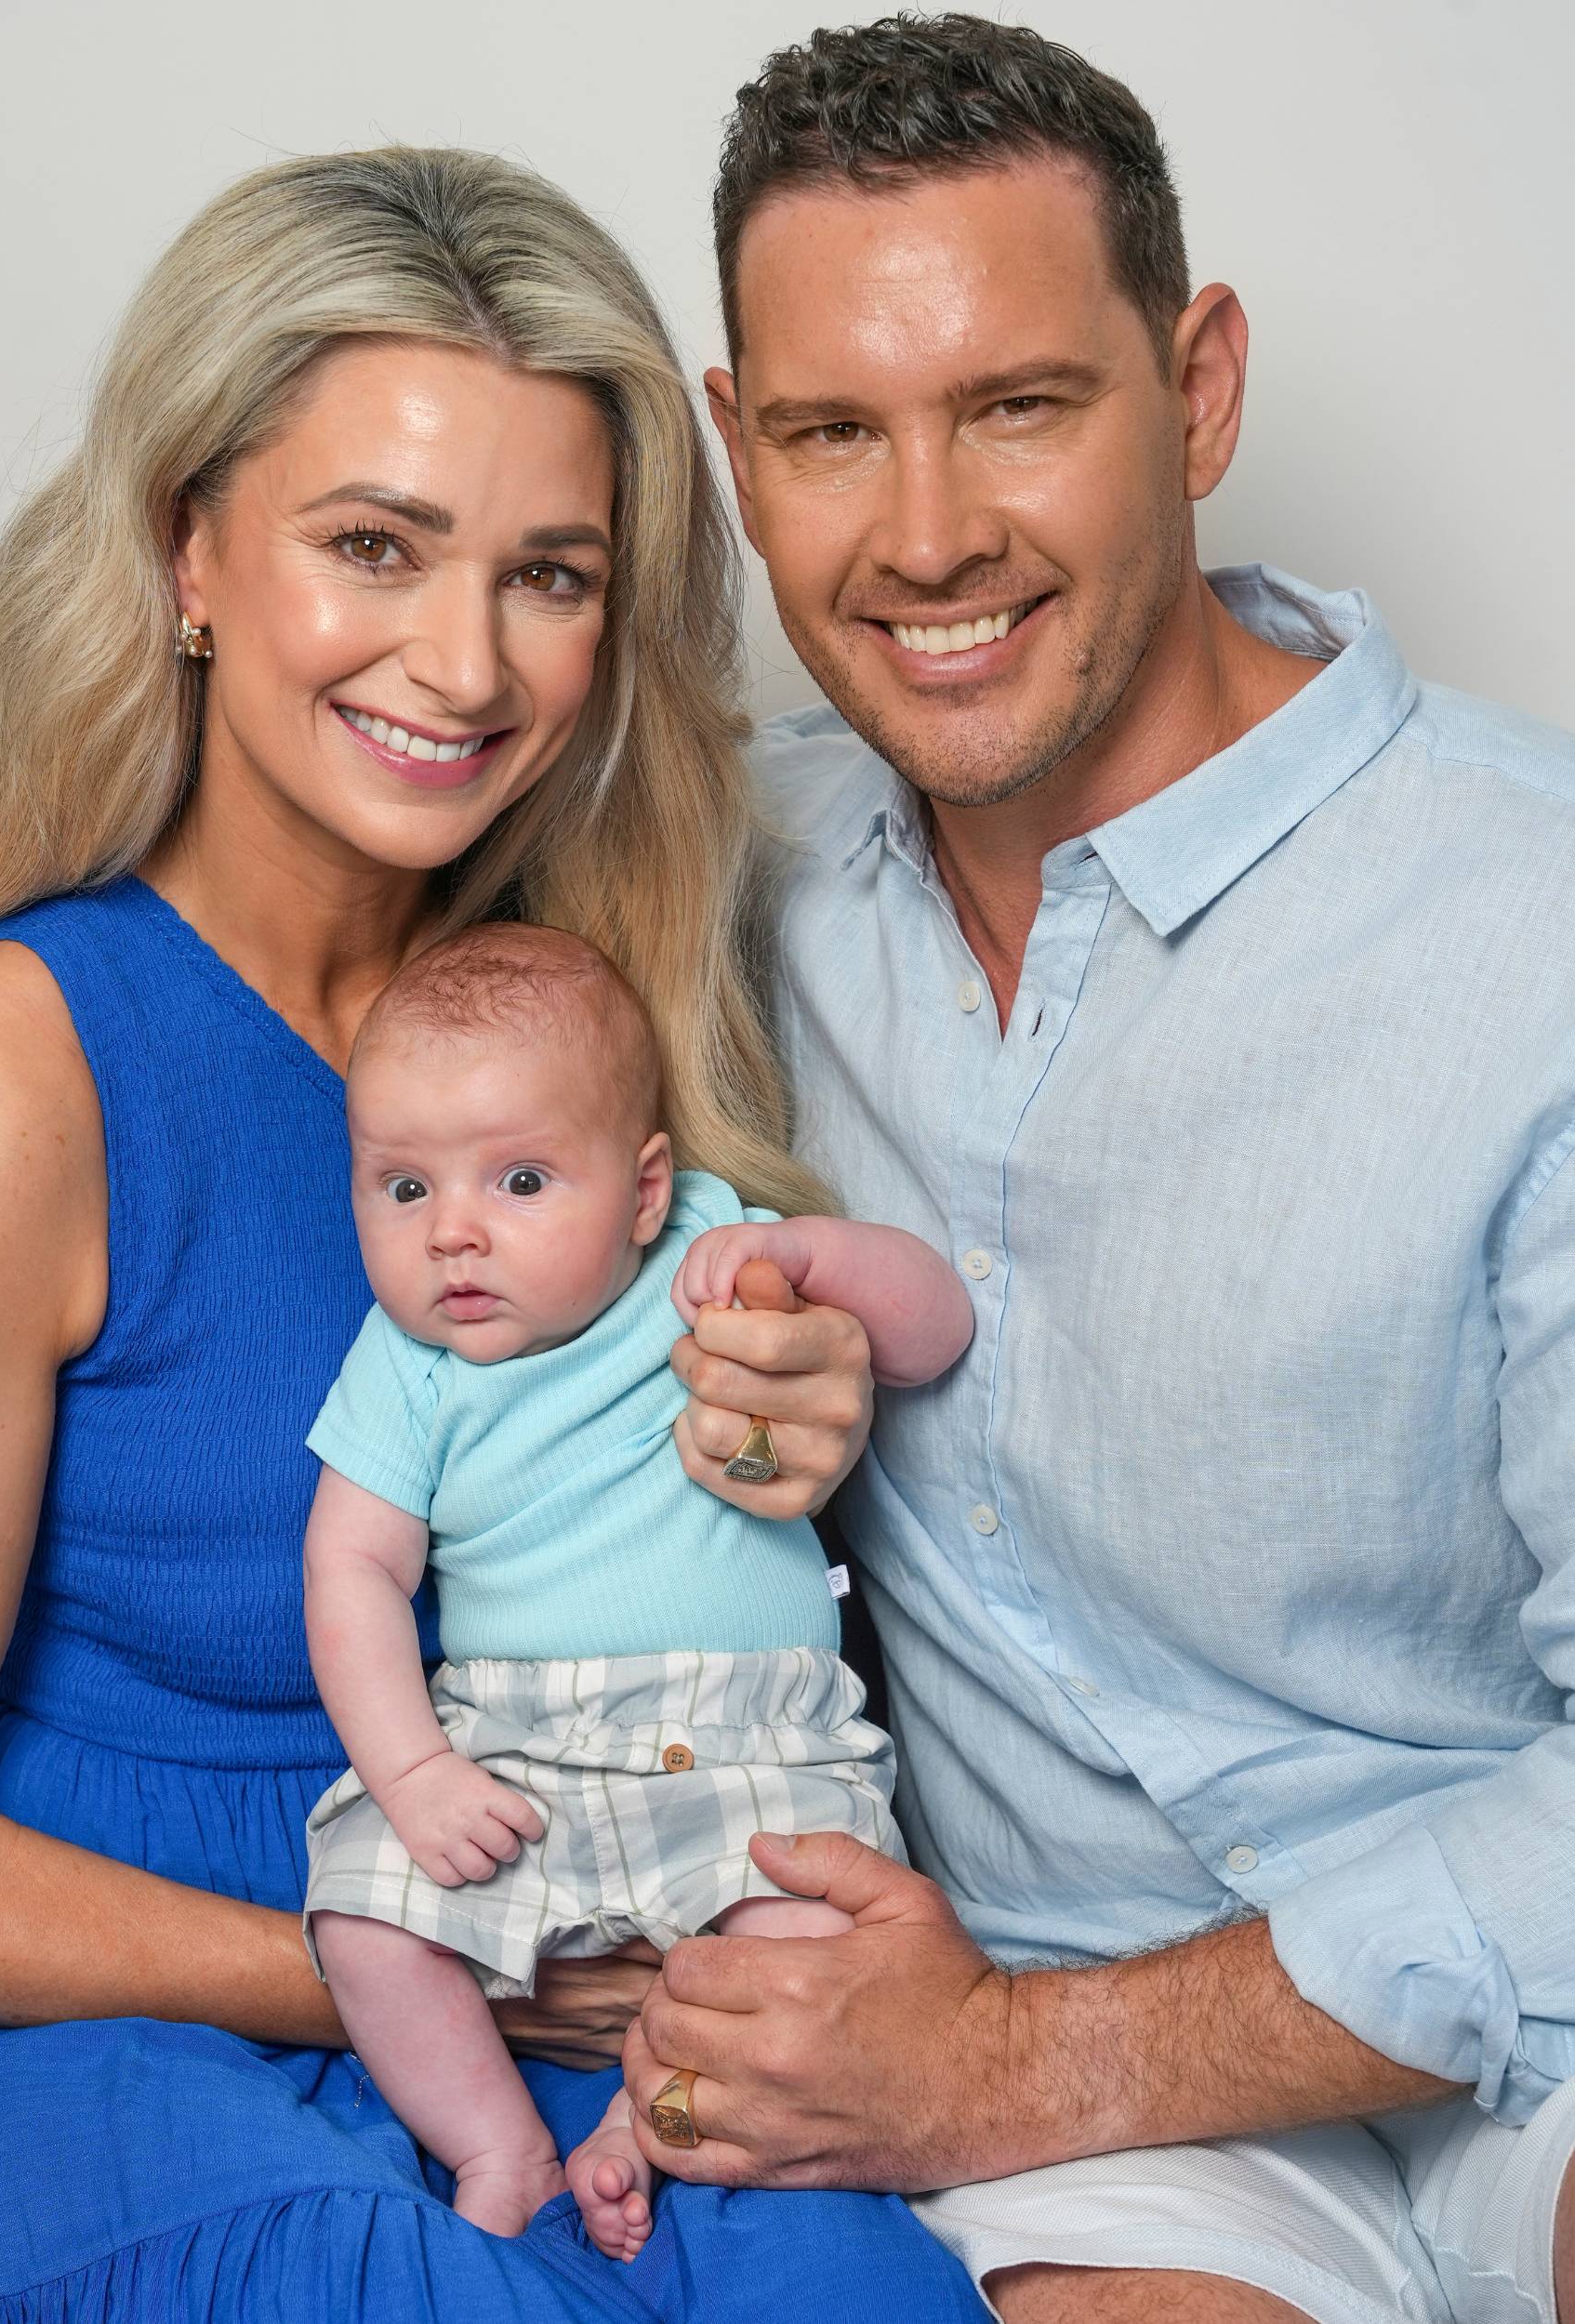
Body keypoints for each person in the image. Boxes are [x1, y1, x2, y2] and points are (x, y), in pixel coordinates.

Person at [0, 147, 987, 2324]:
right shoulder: (15, 1060)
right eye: (375, 545)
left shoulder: (582, 1030)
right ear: (188, 550)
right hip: (73, 2030)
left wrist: (786, 1426)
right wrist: (429, 1975)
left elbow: (695, 1584)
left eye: (550, 573)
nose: (465, 657)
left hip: (555, 1963)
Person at [614, 17, 1575, 2324]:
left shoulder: (1532, 929)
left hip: (1474, 2012)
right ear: (738, 451)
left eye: (1020, 405)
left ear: (1201, 389)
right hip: (1125, 2138)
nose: (927, 533)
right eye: (833, 432)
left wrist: (1008, 2064)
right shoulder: (713, 873)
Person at [297, 919, 973, 2256]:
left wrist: (823, 1263)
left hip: (748, 1740)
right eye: (404, 1188)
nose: (455, 1235)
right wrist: (416, 1776)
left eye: (521, 1180)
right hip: (513, 1746)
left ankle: (640, 2121)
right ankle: (499, 2147)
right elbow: (352, 1568)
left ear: (646, 1192)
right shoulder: (407, 1366)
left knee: (805, 1947)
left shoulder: (712, 1255)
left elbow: (935, 1328)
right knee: (361, 1923)